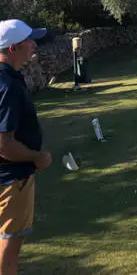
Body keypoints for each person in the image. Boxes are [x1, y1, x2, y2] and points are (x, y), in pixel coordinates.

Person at [0, 20, 52, 275]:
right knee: (10, 242)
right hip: (11, 179)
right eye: (29, 40)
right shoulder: (7, 86)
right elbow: (3, 144)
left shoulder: (7, 79)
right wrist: (37, 157)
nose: (34, 44)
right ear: (13, 48)